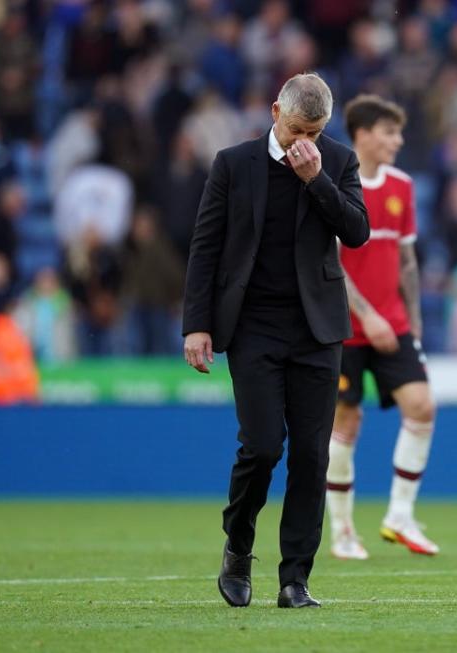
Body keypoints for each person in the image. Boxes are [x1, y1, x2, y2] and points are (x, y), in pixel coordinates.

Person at [182, 73, 369, 608]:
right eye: (294, 130)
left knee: (312, 456)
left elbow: (356, 231)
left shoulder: (337, 161)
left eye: (314, 131)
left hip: (317, 329)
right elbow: (205, 247)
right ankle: (239, 546)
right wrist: (197, 324)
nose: (302, 141)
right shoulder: (233, 164)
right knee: (262, 447)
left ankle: (295, 579)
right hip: (254, 326)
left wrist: (317, 181)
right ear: (274, 113)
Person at [324, 94, 439, 560]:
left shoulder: (402, 186)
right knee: (346, 421)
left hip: (392, 326)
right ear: (364, 134)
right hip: (344, 326)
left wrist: (413, 321)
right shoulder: (334, 182)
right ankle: (343, 531)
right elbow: (328, 259)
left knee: (422, 406)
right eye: (390, 132)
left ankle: (400, 515)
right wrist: (366, 315)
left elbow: (407, 261)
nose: (398, 140)